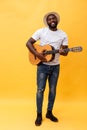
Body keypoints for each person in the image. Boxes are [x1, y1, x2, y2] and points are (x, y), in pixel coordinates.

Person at [26, 11, 68, 126]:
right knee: (40, 90)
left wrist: (62, 51)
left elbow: (66, 52)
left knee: (53, 90)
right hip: (42, 66)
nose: (52, 21)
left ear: (57, 20)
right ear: (47, 21)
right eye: (49, 19)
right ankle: (39, 114)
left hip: (55, 67)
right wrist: (37, 54)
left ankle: (49, 112)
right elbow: (28, 43)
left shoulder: (63, 34)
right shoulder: (41, 31)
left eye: (53, 19)